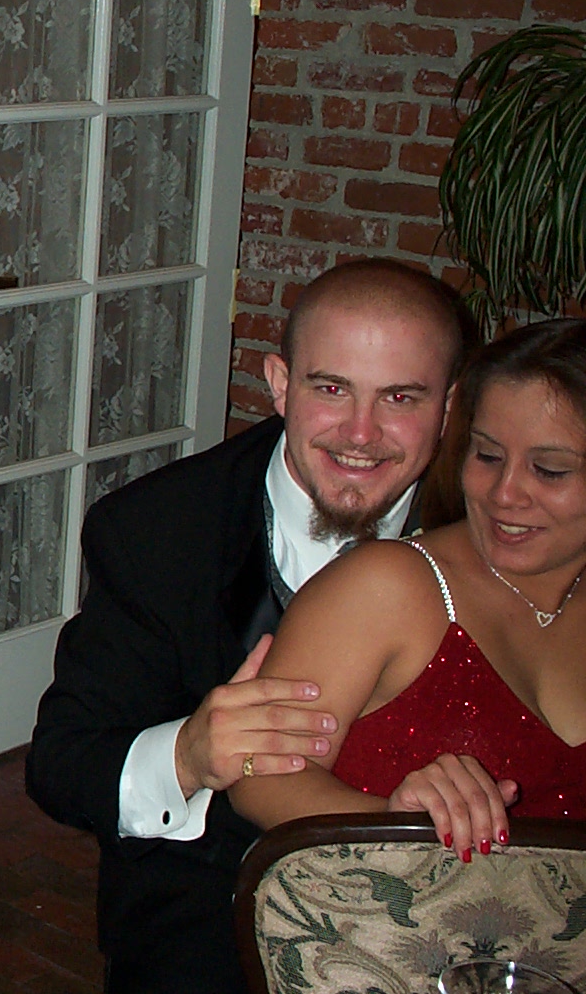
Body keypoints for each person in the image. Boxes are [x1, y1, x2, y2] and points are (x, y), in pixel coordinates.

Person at [25, 259, 474, 994]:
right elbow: (61, 764)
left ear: (450, 407)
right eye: (331, 388)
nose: (361, 433)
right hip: (211, 916)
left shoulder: (490, 528)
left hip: (439, 922)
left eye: (401, 397)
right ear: (280, 383)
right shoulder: (155, 530)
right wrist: (188, 755)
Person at [230, 317, 586, 845]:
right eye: (487, 455)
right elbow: (257, 777)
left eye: (550, 470)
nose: (504, 493)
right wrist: (396, 823)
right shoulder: (387, 586)